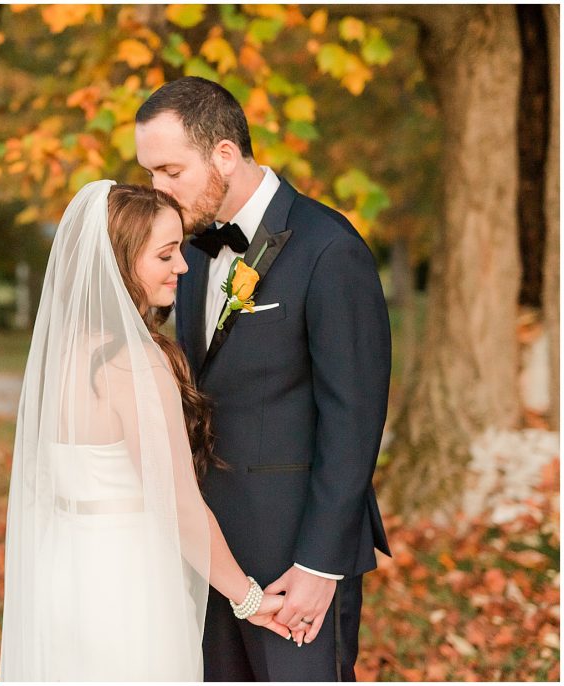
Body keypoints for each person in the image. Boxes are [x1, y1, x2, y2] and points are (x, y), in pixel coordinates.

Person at [134, 76, 392, 681]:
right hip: (209, 553)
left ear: (224, 153)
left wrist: (320, 565)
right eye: (149, 173)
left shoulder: (330, 249)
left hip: (293, 558)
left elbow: (354, 421)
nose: (158, 189)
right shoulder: (191, 251)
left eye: (170, 170)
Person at [0, 181, 293, 681]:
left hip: (63, 572)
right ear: (121, 263)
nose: (182, 265)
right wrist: (248, 599)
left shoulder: (63, 354)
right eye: (167, 254)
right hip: (124, 581)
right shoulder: (134, 365)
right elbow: (178, 504)